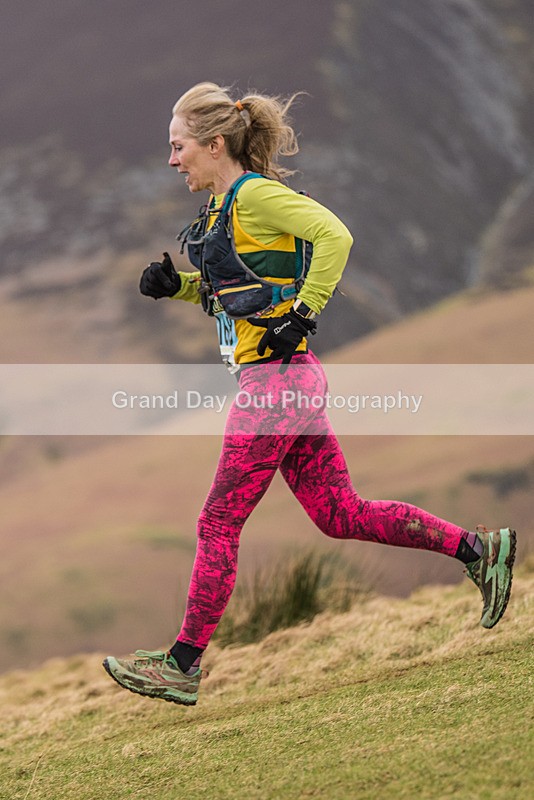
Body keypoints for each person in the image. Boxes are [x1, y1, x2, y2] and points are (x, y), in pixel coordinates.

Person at [103, 82, 516, 706]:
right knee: (338, 513)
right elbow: (242, 295)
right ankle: (478, 549)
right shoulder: (222, 209)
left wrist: (304, 311)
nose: (172, 159)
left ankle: (182, 664)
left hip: (277, 384)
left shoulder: (257, 197)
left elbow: (336, 237)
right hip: (288, 380)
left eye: (178, 145)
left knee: (218, 520)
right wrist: (178, 288)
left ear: (214, 145)